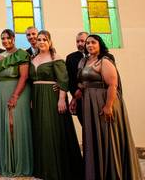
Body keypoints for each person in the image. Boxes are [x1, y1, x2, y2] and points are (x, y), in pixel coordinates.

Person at [72, 34, 142, 180]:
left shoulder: (104, 61)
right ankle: (96, 172)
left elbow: (112, 85)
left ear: (100, 45)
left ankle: (111, 173)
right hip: (89, 103)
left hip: (103, 101)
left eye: (93, 42)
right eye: (88, 43)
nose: (90, 45)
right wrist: (75, 96)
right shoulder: (84, 61)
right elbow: (83, 82)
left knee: (107, 136)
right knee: (94, 137)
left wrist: (108, 106)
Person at [30, 31, 82, 180]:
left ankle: (55, 168)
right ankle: (43, 168)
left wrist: (61, 99)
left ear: (50, 41)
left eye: (44, 39)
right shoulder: (33, 58)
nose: (41, 42)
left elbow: (63, 80)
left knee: (50, 129)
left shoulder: (56, 58)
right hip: (37, 97)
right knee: (40, 130)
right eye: (39, 39)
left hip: (52, 97)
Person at [0, 28, 32, 177]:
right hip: (2, 91)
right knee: (5, 126)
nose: (5, 41)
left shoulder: (21, 54)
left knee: (14, 124)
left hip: (17, 91)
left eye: (8, 38)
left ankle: (20, 162)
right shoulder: (0, 56)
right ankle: (7, 163)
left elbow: (24, 76)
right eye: (3, 38)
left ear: (14, 39)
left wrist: (15, 96)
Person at [65, 31, 88, 125]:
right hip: (79, 98)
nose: (79, 44)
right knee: (85, 125)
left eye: (82, 41)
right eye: (77, 41)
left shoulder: (98, 57)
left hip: (95, 95)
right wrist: (75, 93)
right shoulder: (71, 58)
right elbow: (70, 78)